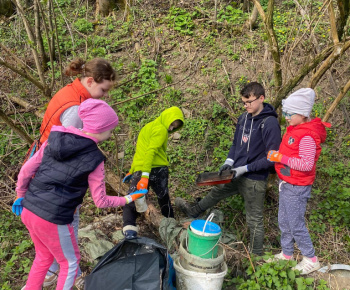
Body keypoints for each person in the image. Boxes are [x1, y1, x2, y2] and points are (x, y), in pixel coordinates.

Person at [12, 99, 147, 290]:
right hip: (54, 217)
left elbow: (26, 170)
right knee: (70, 262)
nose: (111, 134)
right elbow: (100, 201)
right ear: (101, 129)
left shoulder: (53, 140)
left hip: (29, 209)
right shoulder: (95, 158)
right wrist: (128, 198)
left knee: (43, 256)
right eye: (110, 129)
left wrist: (20, 194)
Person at [22, 57, 116, 287]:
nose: (104, 95)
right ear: (91, 81)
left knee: (45, 250)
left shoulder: (71, 91)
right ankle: (57, 272)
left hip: (42, 172)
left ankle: (49, 271)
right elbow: (70, 154)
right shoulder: (75, 109)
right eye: (103, 90)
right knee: (68, 250)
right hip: (54, 181)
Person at [175, 82, 281, 256]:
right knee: (216, 191)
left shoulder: (269, 123)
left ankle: (256, 256)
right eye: (243, 102)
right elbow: (236, 144)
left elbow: (272, 158)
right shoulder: (243, 117)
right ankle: (193, 212)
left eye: (250, 102)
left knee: (254, 218)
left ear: (261, 98)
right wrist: (229, 161)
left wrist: (245, 169)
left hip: (254, 178)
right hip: (235, 172)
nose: (246, 106)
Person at [266, 88, 330, 274]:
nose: (285, 117)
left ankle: (311, 258)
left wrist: (280, 158)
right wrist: (280, 157)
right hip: (287, 183)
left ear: (302, 114)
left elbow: (306, 164)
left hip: (297, 186)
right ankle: (287, 254)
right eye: (285, 113)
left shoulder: (308, 136)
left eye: (289, 113)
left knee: (295, 224)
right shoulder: (295, 129)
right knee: (284, 220)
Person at [122, 106, 184, 239]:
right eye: (172, 124)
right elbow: (149, 152)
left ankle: (129, 230)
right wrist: (144, 175)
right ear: (167, 117)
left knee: (133, 197)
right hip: (156, 169)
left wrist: (133, 170)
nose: (171, 129)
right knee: (163, 197)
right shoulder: (161, 129)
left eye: (175, 127)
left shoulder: (147, 127)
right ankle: (171, 225)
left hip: (143, 168)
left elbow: (139, 151)